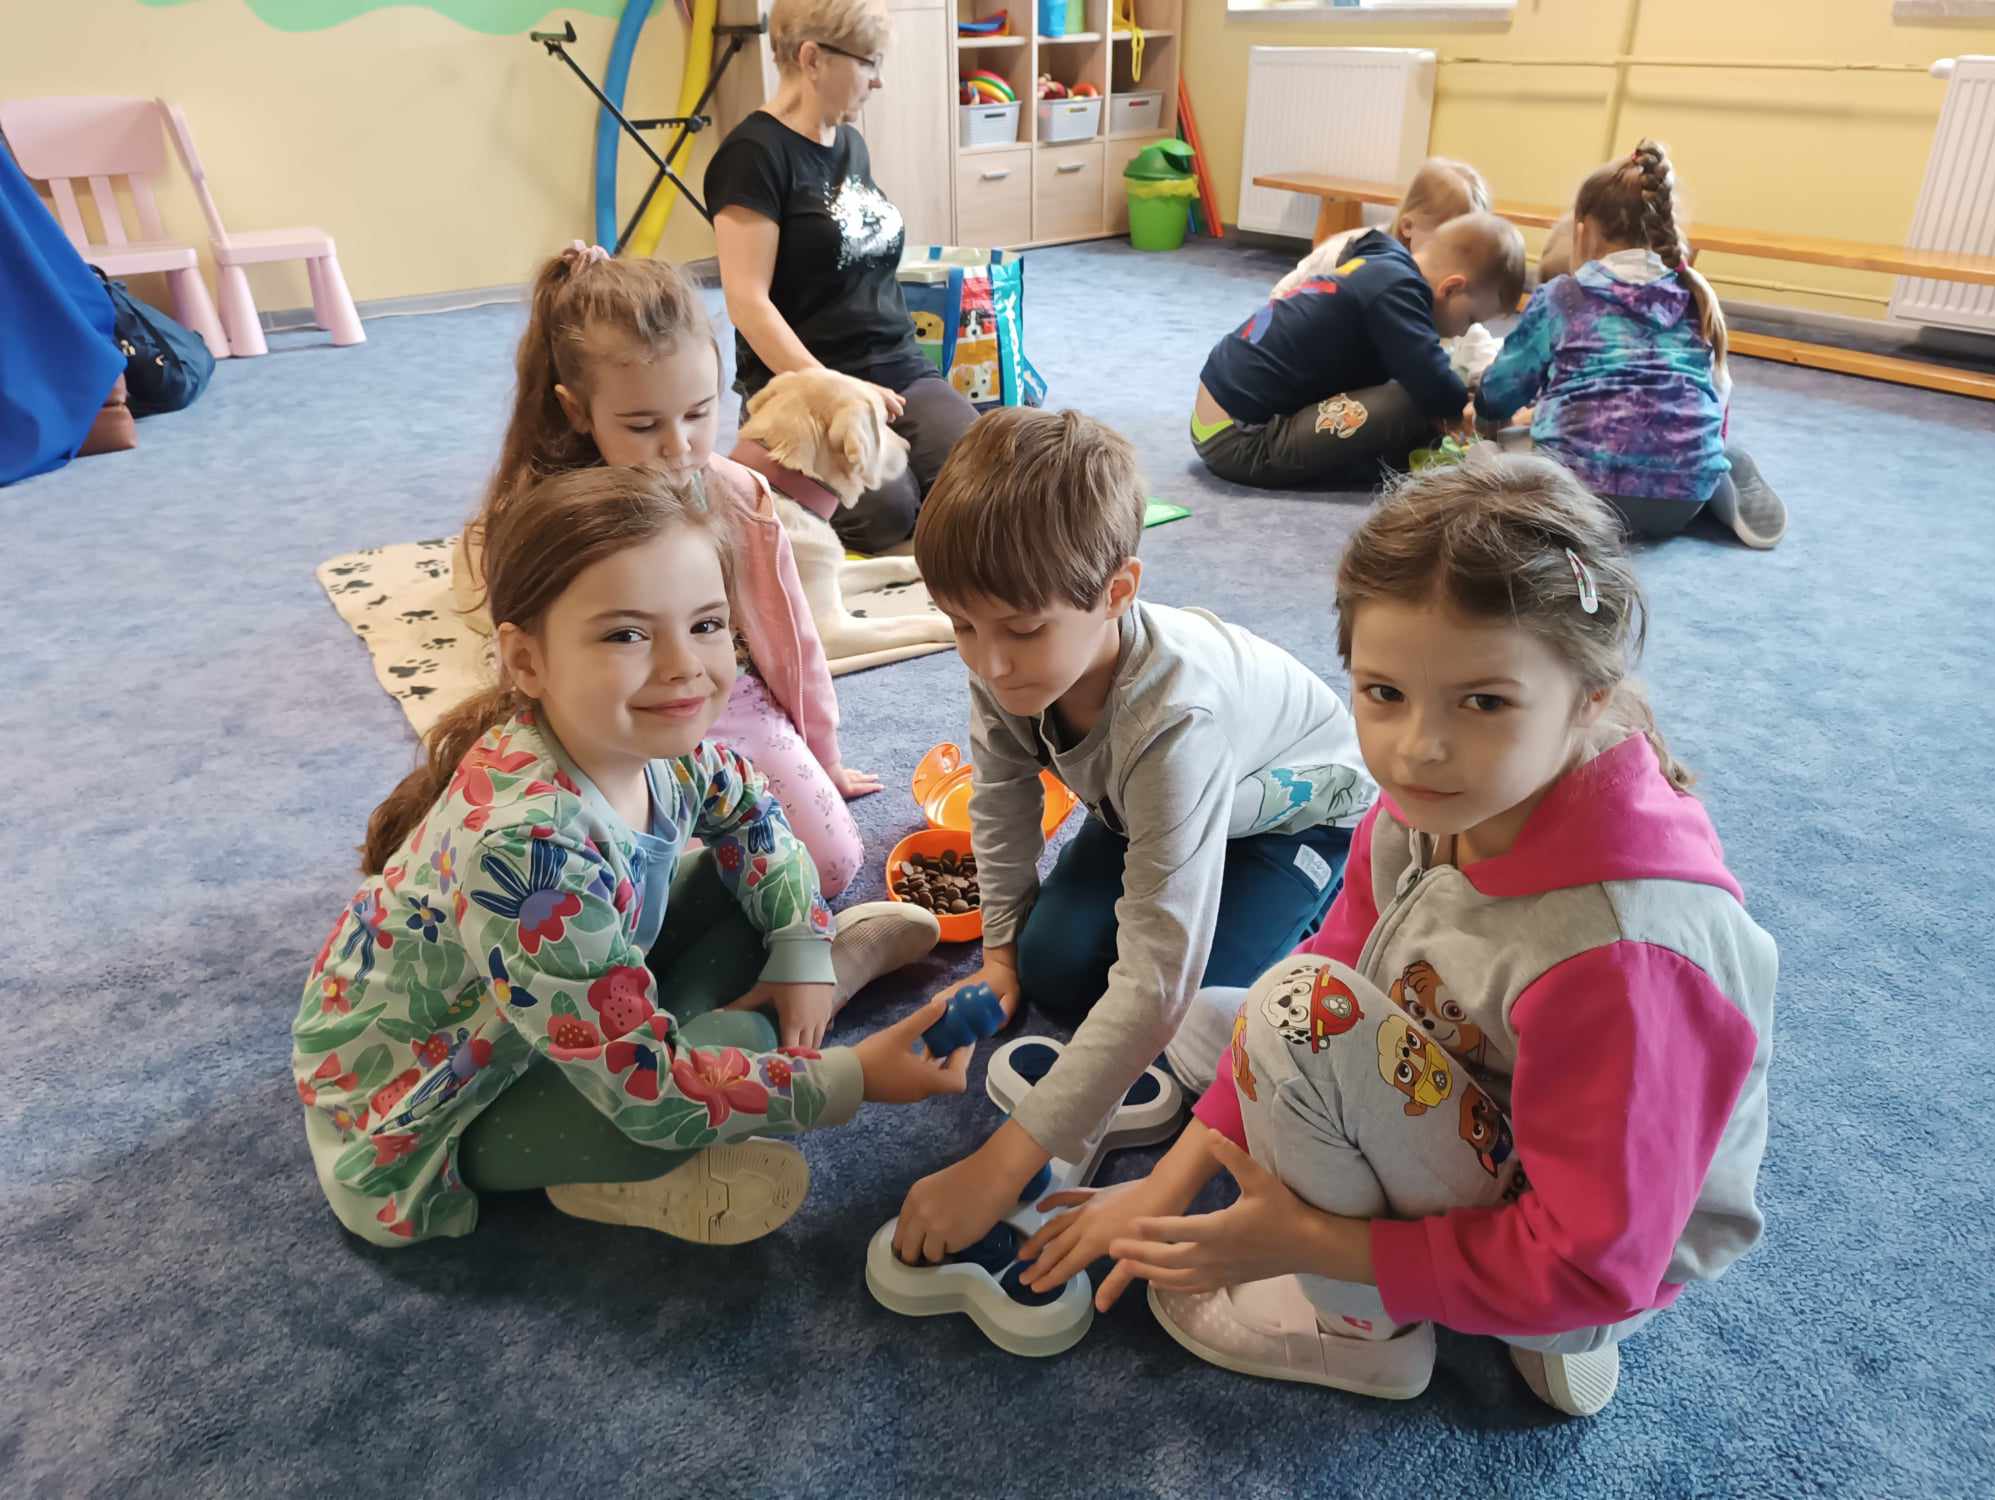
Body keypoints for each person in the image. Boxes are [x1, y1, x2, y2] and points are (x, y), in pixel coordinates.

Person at [1020, 454, 1776, 1418]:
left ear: (1589, 698)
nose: (1418, 747)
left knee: (1286, 1018)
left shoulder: (1621, 960)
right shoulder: (1441, 800)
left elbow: (1599, 1270)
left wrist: (1306, 1244)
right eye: (1383, 693)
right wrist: (1163, 1189)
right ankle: (1450, 1272)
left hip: (1582, 1262)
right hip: (1491, 1094)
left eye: (1485, 701)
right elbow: (1343, 958)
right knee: (1225, 1019)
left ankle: (1365, 1335)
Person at [296, 465, 963, 1249]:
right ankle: (635, 1154)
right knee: (714, 1064)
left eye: (707, 624)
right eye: (626, 634)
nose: (684, 665)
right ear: (527, 661)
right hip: (440, 1108)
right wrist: (852, 1079)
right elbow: (649, 1095)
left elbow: (752, 815)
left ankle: (807, 983)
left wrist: (800, 944)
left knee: (752, 890)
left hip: (559, 1005)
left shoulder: (658, 745)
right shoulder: (525, 852)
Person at [889, 407, 1378, 1267]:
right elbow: (999, 800)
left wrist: (1002, 1167)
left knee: (1197, 1016)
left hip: (1292, 819)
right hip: (1148, 805)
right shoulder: (1007, 663)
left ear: (1118, 593)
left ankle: (1321, 900)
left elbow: (1157, 978)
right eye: (962, 626)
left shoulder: (1176, 718)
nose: (989, 664)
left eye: (1022, 630)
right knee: (1050, 965)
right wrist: (999, 956)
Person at [457, 243, 875, 896]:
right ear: (577, 411)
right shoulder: (557, 516)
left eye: (699, 413)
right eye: (642, 424)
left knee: (829, 864)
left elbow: (793, 642)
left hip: (728, 703)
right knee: (604, 889)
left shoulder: (742, 498)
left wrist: (825, 756)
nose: (678, 445)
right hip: (606, 722)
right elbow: (546, 673)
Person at [705, 0, 978, 553]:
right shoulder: (752, 157)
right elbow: (747, 302)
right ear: (812, 59)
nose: (878, 81)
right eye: (868, 62)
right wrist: (837, 388)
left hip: (897, 367)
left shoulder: (850, 144)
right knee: (889, 512)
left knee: (985, 475)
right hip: (807, 388)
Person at [1473, 139, 1787, 548]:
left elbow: (1498, 394)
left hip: (1580, 497)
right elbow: (1715, 395)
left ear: (1581, 231)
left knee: (1490, 458)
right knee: (1697, 458)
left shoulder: (1563, 297)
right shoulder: (1695, 296)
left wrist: (1485, 407)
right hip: (1681, 503)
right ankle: (1718, 476)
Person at [1192, 212, 1526, 490]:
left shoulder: (1384, 257)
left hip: (1223, 412)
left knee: (1411, 385)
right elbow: (1434, 384)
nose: (1464, 332)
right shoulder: (1400, 293)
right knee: (1415, 401)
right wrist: (1468, 412)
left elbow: (1360, 240)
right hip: (1240, 440)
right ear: (1451, 287)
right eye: (1470, 319)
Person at [1269, 157, 1491, 300]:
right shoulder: (1365, 260)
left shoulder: (1437, 266)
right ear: (1407, 227)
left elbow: (1468, 320)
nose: (1457, 257)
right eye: (1447, 243)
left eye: (1467, 246)